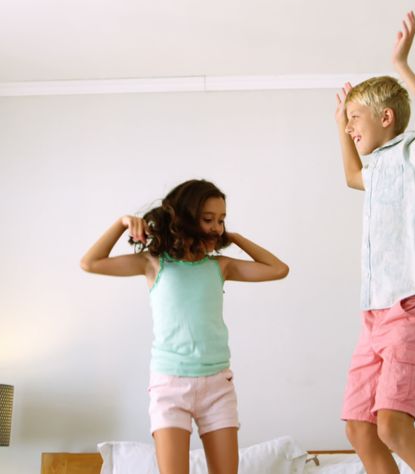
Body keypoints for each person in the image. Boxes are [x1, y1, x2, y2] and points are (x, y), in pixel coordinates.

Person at [80, 179, 289, 474]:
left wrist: (236, 237)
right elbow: (90, 262)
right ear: (187, 218)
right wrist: (122, 222)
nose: (217, 227)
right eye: (208, 219)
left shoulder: (220, 266)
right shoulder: (153, 263)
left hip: (217, 386)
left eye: (222, 220)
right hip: (169, 386)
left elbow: (278, 269)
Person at [333, 11, 415, 474]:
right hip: (374, 313)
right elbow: (350, 176)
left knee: (391, 426)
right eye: (347, 122)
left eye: (355, 119)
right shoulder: (375, 169)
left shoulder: (411, 157)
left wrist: (402, 65)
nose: (349, 128)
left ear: (386, 117)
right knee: (358, 428)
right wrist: (337, 119)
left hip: (412, 305)